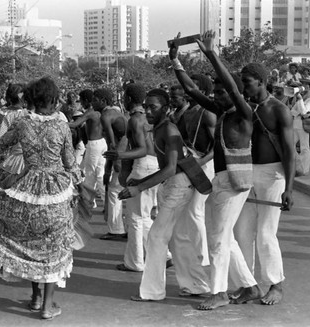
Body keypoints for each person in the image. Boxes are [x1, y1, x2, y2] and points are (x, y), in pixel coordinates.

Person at [0, 77, 83, 320]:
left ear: (31, 98)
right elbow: (71, 164)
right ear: (53, 99)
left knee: (29, 243)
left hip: (28, 189)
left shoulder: (22, 123)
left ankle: (35, 299)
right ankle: (47, 306)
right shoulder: (62, 126)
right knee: (54, 248)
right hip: (57, 192)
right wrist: (78, 189)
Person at [189, 30, 262, 310]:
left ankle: (219, 292)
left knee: (218, 239)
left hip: (233, 182)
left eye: (221, 92)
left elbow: (232, 89)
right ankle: (250, 286)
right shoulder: (223, 113)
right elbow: (192, 92)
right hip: (221, 181)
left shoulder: (244, 112)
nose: (217, 96)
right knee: (224, 237)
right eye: (216, 92)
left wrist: (211, 54)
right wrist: (176, 63)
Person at [122, 88, 200, 302]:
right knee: (178, 239)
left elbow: (171, 168)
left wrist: (140, 187)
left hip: (179, 185)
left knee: (156, 237)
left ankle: (152, 292)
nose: (147, 111)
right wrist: (140, 182)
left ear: (166, 108)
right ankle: (196, 285)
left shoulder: (169, 130)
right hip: (173, 185)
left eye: (152, 107)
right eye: (146, 106)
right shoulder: (159, 128)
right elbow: (165, 168)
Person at [235, 60, 296, 305]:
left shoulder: (278, 109)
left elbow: (290, 151)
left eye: (247, 83)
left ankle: (275, 284)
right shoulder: (247, 107)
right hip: (248, 172)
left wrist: (289, 189)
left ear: (261, 81)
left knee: (265, 233)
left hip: (273, 175)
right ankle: (248, 285)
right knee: (241, 232)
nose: (244, 87)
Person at [169, 42, 217, 268]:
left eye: (195, 87)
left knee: (196, 212)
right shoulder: (189, 112)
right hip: (192, 163)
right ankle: (191, 253)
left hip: (203, 165)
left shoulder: (207, 113)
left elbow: (218, 145)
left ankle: (202, 258)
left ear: (204, 91)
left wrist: (201, 161)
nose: (189, 89)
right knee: (189, 212)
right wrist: (175, 60)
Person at [104, 83, 159, 272]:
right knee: (143, 217)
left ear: (128, 99)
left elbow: (141, 149)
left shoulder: (135, 120)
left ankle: (135, 262)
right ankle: (162, 254)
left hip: (143, 166)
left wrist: (119, 156)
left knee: (135, 218)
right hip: (154, 165)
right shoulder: (150, 118)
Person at [68, 89, 107, 211]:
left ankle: (89, 204)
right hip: (101, 143)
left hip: (94, 144)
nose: (80, 104)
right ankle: (105, 203)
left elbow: (75, 124)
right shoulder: (102, 112)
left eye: (81, 101)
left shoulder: (91, 112)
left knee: (90, 175)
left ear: (86, 101)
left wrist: (56, 121)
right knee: (99, 174)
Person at [98, 89, 128, 240]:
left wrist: (109, 168)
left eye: (95, 100)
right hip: (126, 149)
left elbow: (112, 144)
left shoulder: (105, 116)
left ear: (103, 101)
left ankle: (116, 230)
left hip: (121, 150)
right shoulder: (116, 112)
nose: (92, 103)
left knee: (114, 191)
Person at [289, 77, 310, 175]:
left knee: (304, 147)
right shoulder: (303, 96)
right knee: (291, 145)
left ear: (309, 86)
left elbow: (303, 112)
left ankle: (304, 170)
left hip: (304, 124)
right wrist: (299, 101)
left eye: (305, 84)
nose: (303, 86)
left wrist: (299, 100)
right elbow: (293, 111)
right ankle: (298, 166)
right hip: (296, 123)